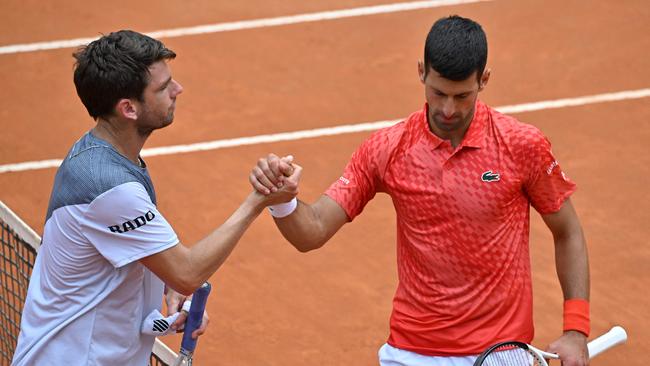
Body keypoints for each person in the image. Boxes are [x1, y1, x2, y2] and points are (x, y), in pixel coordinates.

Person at [250, 15, 590, 366]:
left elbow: (568, 231)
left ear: (484, 80)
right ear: (421, 72)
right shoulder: (388, 149)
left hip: (500, 353)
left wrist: (576, 330)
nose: (448, 109)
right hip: (411, 352)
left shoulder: (521, 146)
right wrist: (283, 202)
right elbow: (314, 231)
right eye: (438, 92)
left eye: (462, 96)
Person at [12, 30, 299, 365]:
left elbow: (146, 259)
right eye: (163, 88)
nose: (178, 91)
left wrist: (166, 284)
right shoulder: (109, 186)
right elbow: (187, 272)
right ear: (129, 108)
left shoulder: (106, 156)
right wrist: (258, 200)